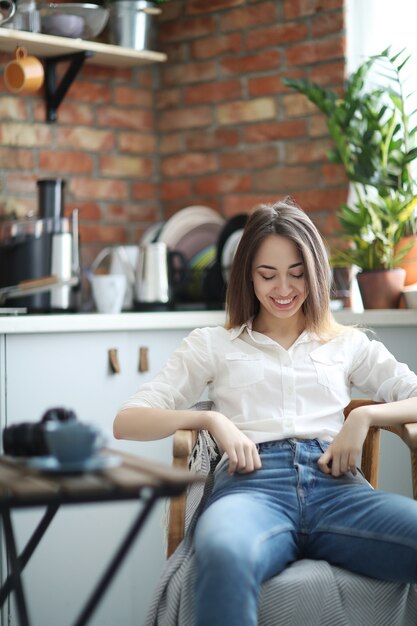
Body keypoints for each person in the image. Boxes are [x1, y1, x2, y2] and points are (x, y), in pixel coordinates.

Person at [114, 197, 417, 626]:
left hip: (337, 487)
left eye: (297, 274)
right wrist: (209, 419)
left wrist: (363, 417)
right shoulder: (212, 344)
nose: (283, 289)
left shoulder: (347, 343)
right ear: (246, 277)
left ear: (315, 273)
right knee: (221, 551)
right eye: (267, 275)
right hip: (250, 489)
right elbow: (127, 421)